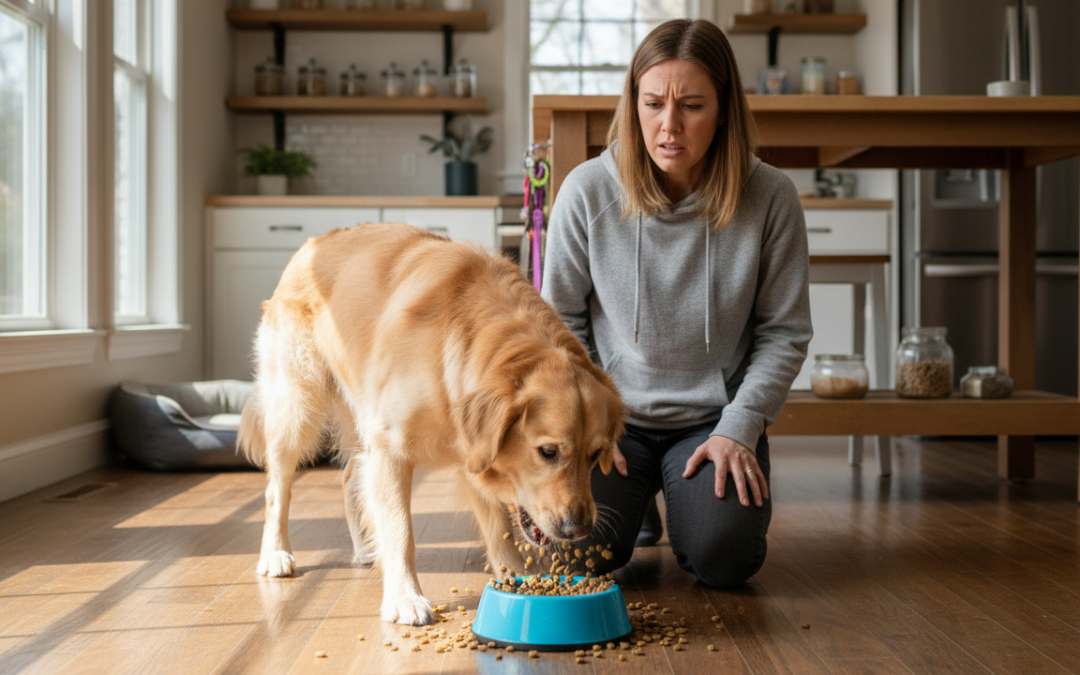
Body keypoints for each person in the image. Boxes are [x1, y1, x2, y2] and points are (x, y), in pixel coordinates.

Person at [540, 18, 812, 588]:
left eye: (691, 105)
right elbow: (558, 319)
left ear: (723, 110)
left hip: (712, 423)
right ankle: (636, 502)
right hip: (611, 424)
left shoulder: (771, 198)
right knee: (571, 560)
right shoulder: (587, 190)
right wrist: (591, 417)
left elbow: (784, 333)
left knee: (725, 559)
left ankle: (676, 496)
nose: (668, 126)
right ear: (632, 104)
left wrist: (741, 425)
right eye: (652, 103)